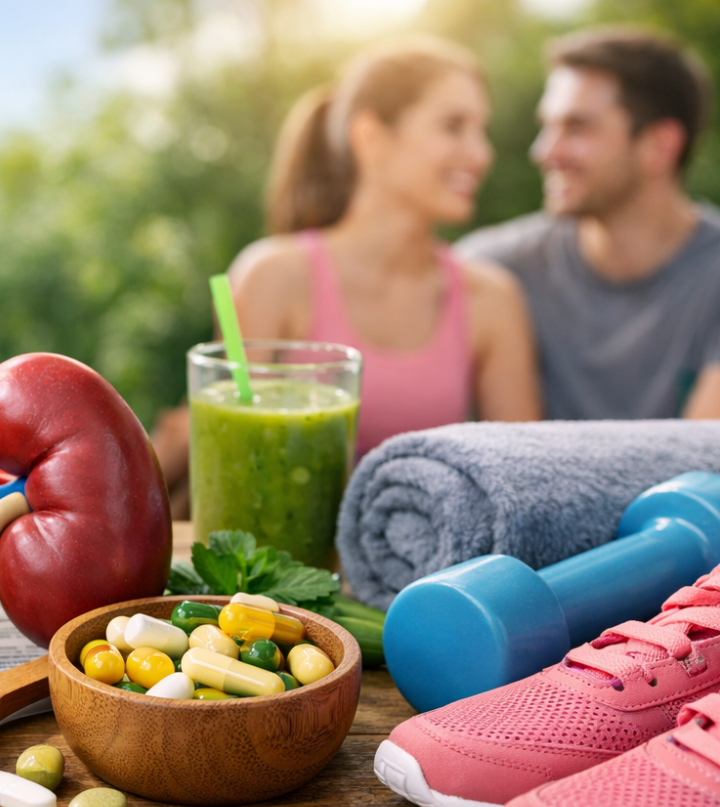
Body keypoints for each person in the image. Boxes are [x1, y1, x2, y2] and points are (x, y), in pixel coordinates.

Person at [152, 38, 541, 509]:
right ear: (371, 138)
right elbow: (230, 456)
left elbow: (525, 481)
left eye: (482, 131)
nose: (481, 154)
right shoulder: (275, 277)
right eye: (453, 126)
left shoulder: (490, 297)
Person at [457, 26, 720, 419]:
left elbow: (701, 451)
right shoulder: (493, 272)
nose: (544, 152)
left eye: (577, 128)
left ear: (659, 145)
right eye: (548, 126)